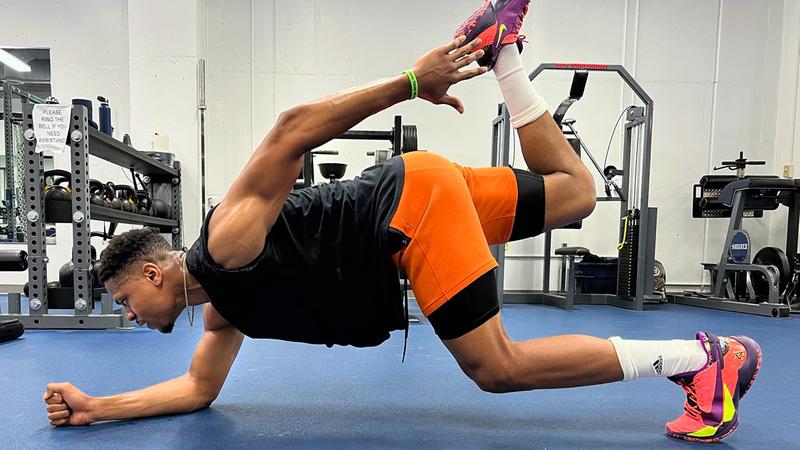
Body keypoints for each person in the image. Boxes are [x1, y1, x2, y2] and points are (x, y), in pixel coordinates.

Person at [43, 0, 760, 443]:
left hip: (408, 211)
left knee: (495, 368)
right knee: (573, 193)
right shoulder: (220, 310)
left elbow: (292, 129)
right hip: (418, 189)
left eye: (126, 302)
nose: (130, 316)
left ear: (151, 271)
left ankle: (701, 359)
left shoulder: (223, 246)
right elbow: (197, 391)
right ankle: (505, 54)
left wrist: (414, 83)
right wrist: (95, 407)